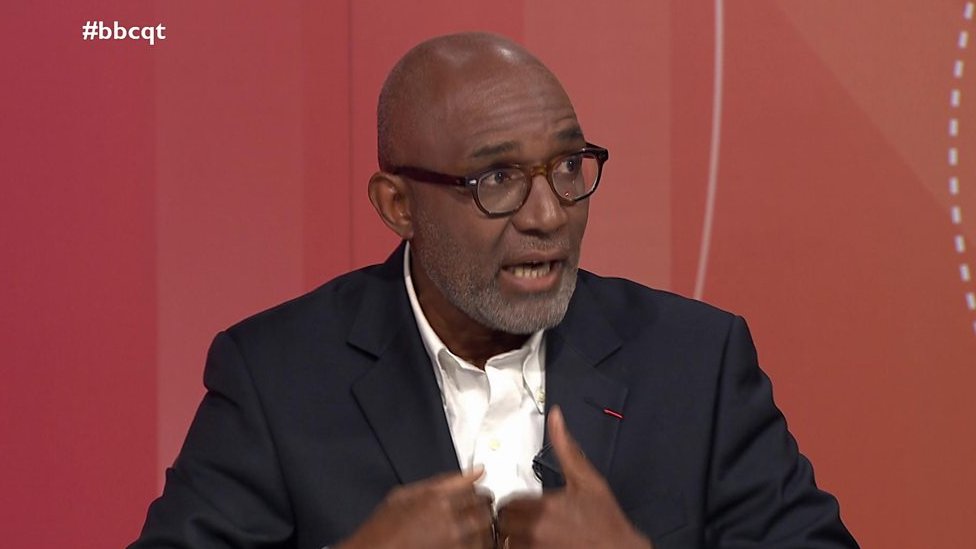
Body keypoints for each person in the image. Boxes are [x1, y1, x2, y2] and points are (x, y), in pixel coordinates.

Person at [131, 32, 858, 548]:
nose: (549, 216)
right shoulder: (277, 376)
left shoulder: (695, 361)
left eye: (567, 166)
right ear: (397, 205)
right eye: (497, 179)